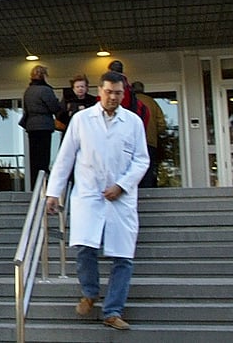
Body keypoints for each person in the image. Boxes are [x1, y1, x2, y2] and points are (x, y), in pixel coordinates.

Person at [46, 71, 149, 331]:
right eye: (108, 92)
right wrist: (53, 193)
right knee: (85, 248)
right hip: (89, 195)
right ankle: (90, 293)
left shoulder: (133, 122)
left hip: (121, 199)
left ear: (123, 94)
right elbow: (65, 158)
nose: (113, 97)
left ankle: (113, 311)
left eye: (118, 93)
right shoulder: (81, 120)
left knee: (123, 258)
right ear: (99, 91)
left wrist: (122, 186)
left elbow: (142, 160)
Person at [22, 64, 62, 178]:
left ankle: (35, 183)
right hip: (44, 126)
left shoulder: (28, 91)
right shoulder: (46, 90)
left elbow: (26, 108)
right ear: (44, 75)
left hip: (31, 126)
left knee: (34, 157)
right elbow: (54, 107)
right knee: (43, 157)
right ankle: (43, 182)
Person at [132, 81, 168, 188]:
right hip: (150, 141)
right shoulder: (152, 102)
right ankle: (149, 190)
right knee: (149, 167)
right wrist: (154, 133)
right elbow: (161, 123)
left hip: (132, 142)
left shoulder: (131, 102)